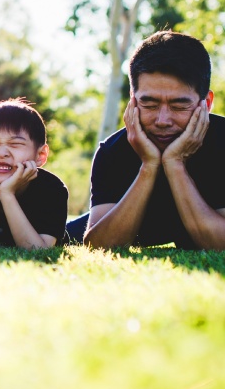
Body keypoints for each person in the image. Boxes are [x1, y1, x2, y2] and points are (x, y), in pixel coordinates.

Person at [84, 31, 225, 250]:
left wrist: (175, 164)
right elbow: (99, 246)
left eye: (179, 106)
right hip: (133, 223)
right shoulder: (112, 151)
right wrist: (149, 165)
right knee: (62, 232)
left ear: (206, 103)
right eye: (149, 104)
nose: (162, 120)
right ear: (133, 100)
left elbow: (219, 243)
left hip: (200, 220)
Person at [0, 99, 68, 249]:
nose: (2, 153)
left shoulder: (52, 188)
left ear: (40, 155)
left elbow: (38, 250)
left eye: (15, 144)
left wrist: (7, 193)